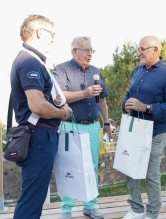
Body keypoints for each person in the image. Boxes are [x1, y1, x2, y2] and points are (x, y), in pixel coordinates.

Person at [10, 15, 73, 219]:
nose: (53, 40)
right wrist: (62, 113)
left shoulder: (30, 59)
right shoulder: (29, 61)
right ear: (39, 32)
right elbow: (36, 104)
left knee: (34, 197)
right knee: (32, 200)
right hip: (39, 136)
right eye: (51, 34)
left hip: (39, 136)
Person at [121, 35, 166, 219]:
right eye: (138, 49)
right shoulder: (137, 70)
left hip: (156, 131)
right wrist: (125, 104)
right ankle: (137, 209)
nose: (139, 52)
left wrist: (145, 107)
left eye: (142, 49)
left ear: (155, 50)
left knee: (150, 174)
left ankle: (152, 213)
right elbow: (128, 95)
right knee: (130, 170)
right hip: (134, 129)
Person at [53, 36, 111, 219]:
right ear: (74, 51)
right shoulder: (62, 69)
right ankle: (66, 209)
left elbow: (102, 100)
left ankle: (90, 205)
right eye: (86, 50)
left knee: (92, 167)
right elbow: (59, 96)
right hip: (69, 126)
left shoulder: (96, 71)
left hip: (93, 127)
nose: (89, 54)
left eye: (91, 50)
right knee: (67, 167)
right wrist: (85, 93)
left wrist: (107, 122)